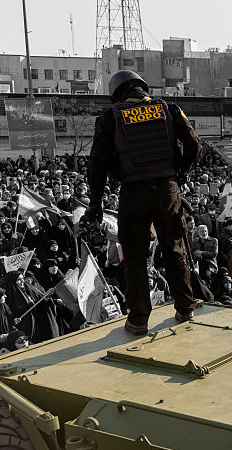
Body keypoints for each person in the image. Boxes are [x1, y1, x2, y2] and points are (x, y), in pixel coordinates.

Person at [86, 70, 202, 335]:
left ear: (117, 94)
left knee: (135, 257)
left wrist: (95, 202)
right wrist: (179, 173)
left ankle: (138, 320)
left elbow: (97, 163)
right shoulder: (169, 109)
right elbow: (195, 145)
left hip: (133, 192)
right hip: (167, 190)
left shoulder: (110, 117)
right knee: (174, 248)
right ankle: (185, 307)